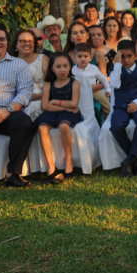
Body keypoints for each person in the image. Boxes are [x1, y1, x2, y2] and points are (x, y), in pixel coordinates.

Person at [0, 23, 35, 187]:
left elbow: (25, 92)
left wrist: (7, 110)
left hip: (8, 112)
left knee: (24, 122)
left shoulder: (19, 64)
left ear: (7, 42)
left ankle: (13, 174)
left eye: (1, 39)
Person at [34, 52, 83, 183]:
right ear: (52, 68)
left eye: (65, 66)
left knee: (63, 126)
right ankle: (51, 166)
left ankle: (68, 162)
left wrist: (56, 101)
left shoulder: (75, 83)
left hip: (67, 114)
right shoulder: (48, 84)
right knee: (42, 127)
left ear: (70, 67)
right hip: (53, 113)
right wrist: (67, 107)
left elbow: (74, 103)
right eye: (58, 66)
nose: (62, 70)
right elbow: (45, 106)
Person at [109, 39, 137, 177]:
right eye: (122, 56)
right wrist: (117, 64)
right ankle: (134, 160)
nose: (126, 60)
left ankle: (129, 159)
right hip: (121, 106)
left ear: (135, 55)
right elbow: (115, 85)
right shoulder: (116, 71)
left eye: (129, 56)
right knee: (116, 126)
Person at [9, 30, 48, 121]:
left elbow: (51, 82)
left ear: (34, 44)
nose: (27, 44)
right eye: (22, 41)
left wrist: (40, 96)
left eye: (30, 41)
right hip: (18, 101)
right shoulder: (10, 63)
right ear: (15, 44)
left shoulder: (43, 58)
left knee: (34, 109)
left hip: (43, 97)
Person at [72, 43, 111, 125]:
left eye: (85, 56)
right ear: (75, 58)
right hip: (79, 93)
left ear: (90, 58)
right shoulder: (73, 70)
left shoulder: (93, 68)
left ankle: (107, 123)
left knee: (106, 105)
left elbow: (103, 78)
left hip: (94, 91)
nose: (83, 59)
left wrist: (107, 89)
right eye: (79, 56)